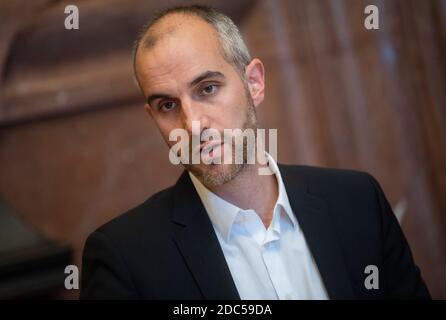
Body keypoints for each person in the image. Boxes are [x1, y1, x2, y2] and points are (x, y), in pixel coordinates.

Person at [80, 5, 430, 299]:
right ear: (152, 116)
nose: (193, 125)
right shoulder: (124, 256)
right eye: (168, 105)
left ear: (254, 83)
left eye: (208, 88)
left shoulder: (358, 202)